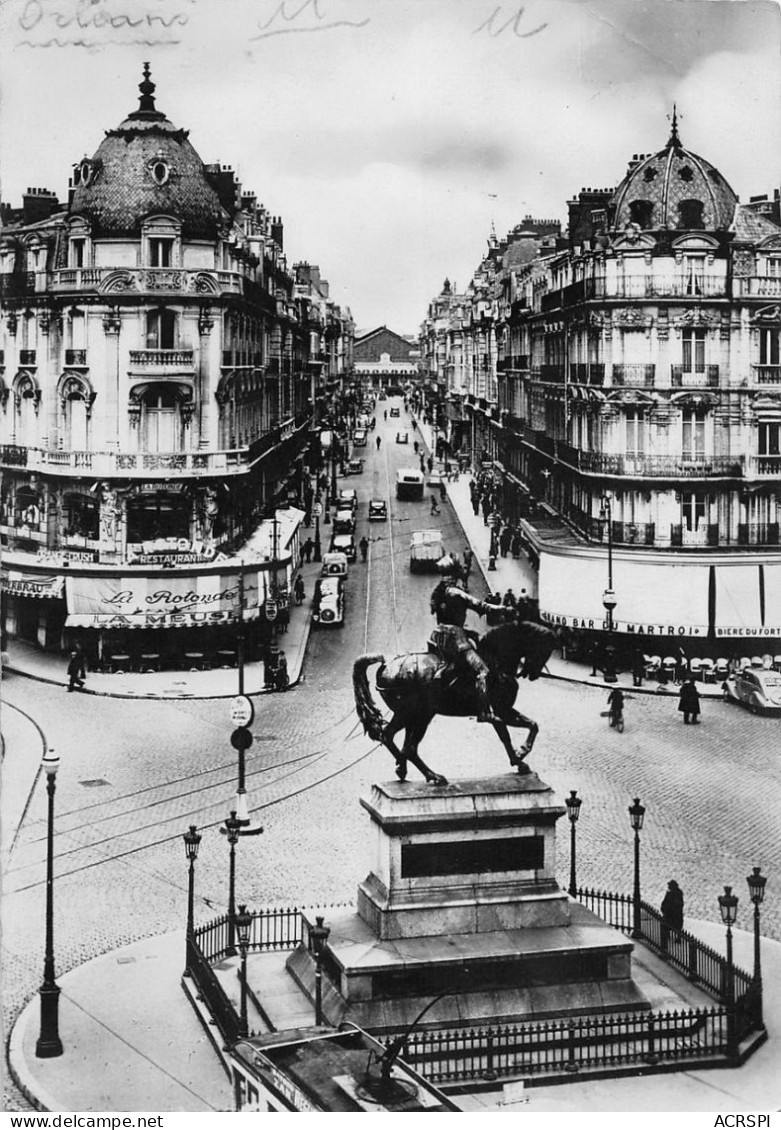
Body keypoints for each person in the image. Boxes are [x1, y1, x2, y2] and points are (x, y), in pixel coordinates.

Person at [429, 561, 502, 722]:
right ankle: (484, 711)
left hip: (438, 635)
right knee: (482, 671)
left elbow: (435, 610)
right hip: (456, 638)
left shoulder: (437, 592)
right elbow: (482, 606)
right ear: (455, 577)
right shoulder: (457, 593)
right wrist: (505, 609)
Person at [660, 879, 684, 949]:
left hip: (675, 914)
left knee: (677, 925)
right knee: (668, 924)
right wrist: (663, 908)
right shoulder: (669, 893)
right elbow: (665, 901)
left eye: (669, 885)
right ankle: (667, 935)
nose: (668, 887)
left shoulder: (678, 893)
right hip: (669, 914)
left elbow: (679, 904)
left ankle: (678, 937)